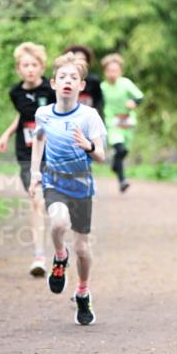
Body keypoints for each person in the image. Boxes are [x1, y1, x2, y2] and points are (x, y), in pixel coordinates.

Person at [29, 52, 107, 326]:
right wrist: (34, 172)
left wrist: (88, 146)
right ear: (53, 83)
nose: (67, 81)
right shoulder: (43, 114)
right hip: (55, 182)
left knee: (83, 248)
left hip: (82, 186)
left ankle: (83, 291)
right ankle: (60, 256)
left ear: (81, 86)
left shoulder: (89, 116)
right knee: (58, 222)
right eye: (62, 77)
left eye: (74, 77)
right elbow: (38, 140)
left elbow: (102, 155)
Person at [0, 42, 56, 276]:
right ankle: (39, 256)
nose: (30, 69)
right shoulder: (15, 92)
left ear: (42, 67)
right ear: (18, 69)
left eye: (34, 64)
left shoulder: (51, 90)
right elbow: (22, 117)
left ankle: (58, 249)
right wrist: (7, 133)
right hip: (27, 155)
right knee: (37, 201)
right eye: (25, 65)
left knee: (50, 203)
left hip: (52, 153)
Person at [100, 53, 144, 192]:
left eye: (115, 71)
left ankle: (114, 165)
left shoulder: (125, 83)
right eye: (109, 71)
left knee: (124, 151)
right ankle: (122, 180)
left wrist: (134, 102)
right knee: (120, 149)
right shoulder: (103, 87)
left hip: (128, 121)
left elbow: (140, 97)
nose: (112, 74)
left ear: (120, 72)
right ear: (105, 72)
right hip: (112, 121)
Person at [63, 43, 104, 116]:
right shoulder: (63, 80)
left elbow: (99, 101)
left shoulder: (93, 80)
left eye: (82, 59)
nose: (79, 62)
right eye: (76, 59)